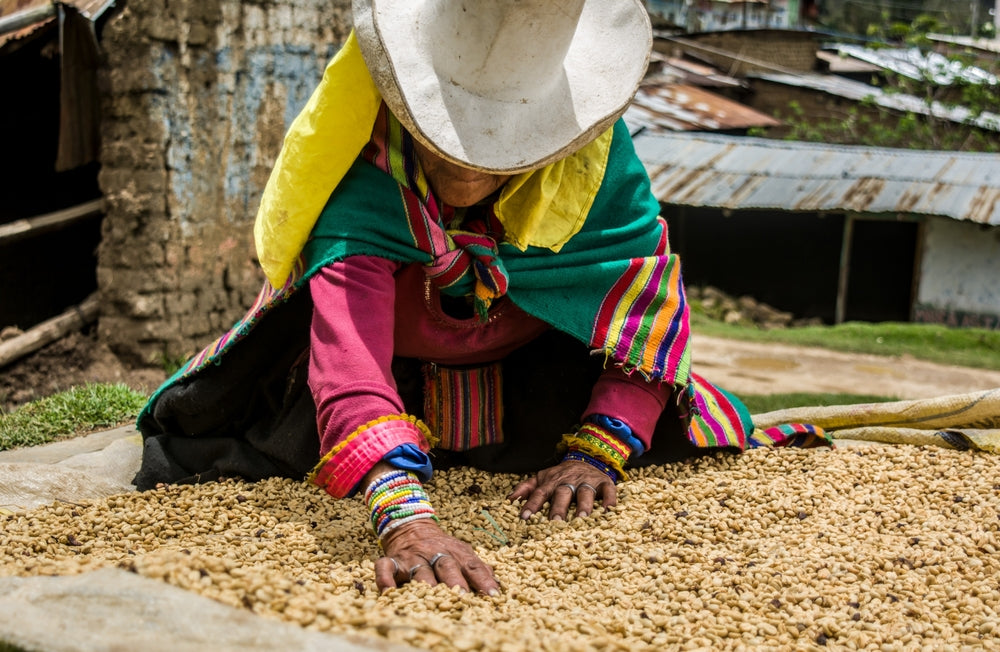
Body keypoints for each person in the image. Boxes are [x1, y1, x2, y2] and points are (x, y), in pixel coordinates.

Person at [135, 0, 826, 597]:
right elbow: (350, 359)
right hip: (397, 379)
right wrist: (405, 519)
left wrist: (594, 454)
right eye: (444, 138)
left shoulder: (599, 168)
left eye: (500, 147)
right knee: (218, 447)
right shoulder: (361, 167)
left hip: (539, 372)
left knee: (669, 443)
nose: (465, 170)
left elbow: (641, 321)